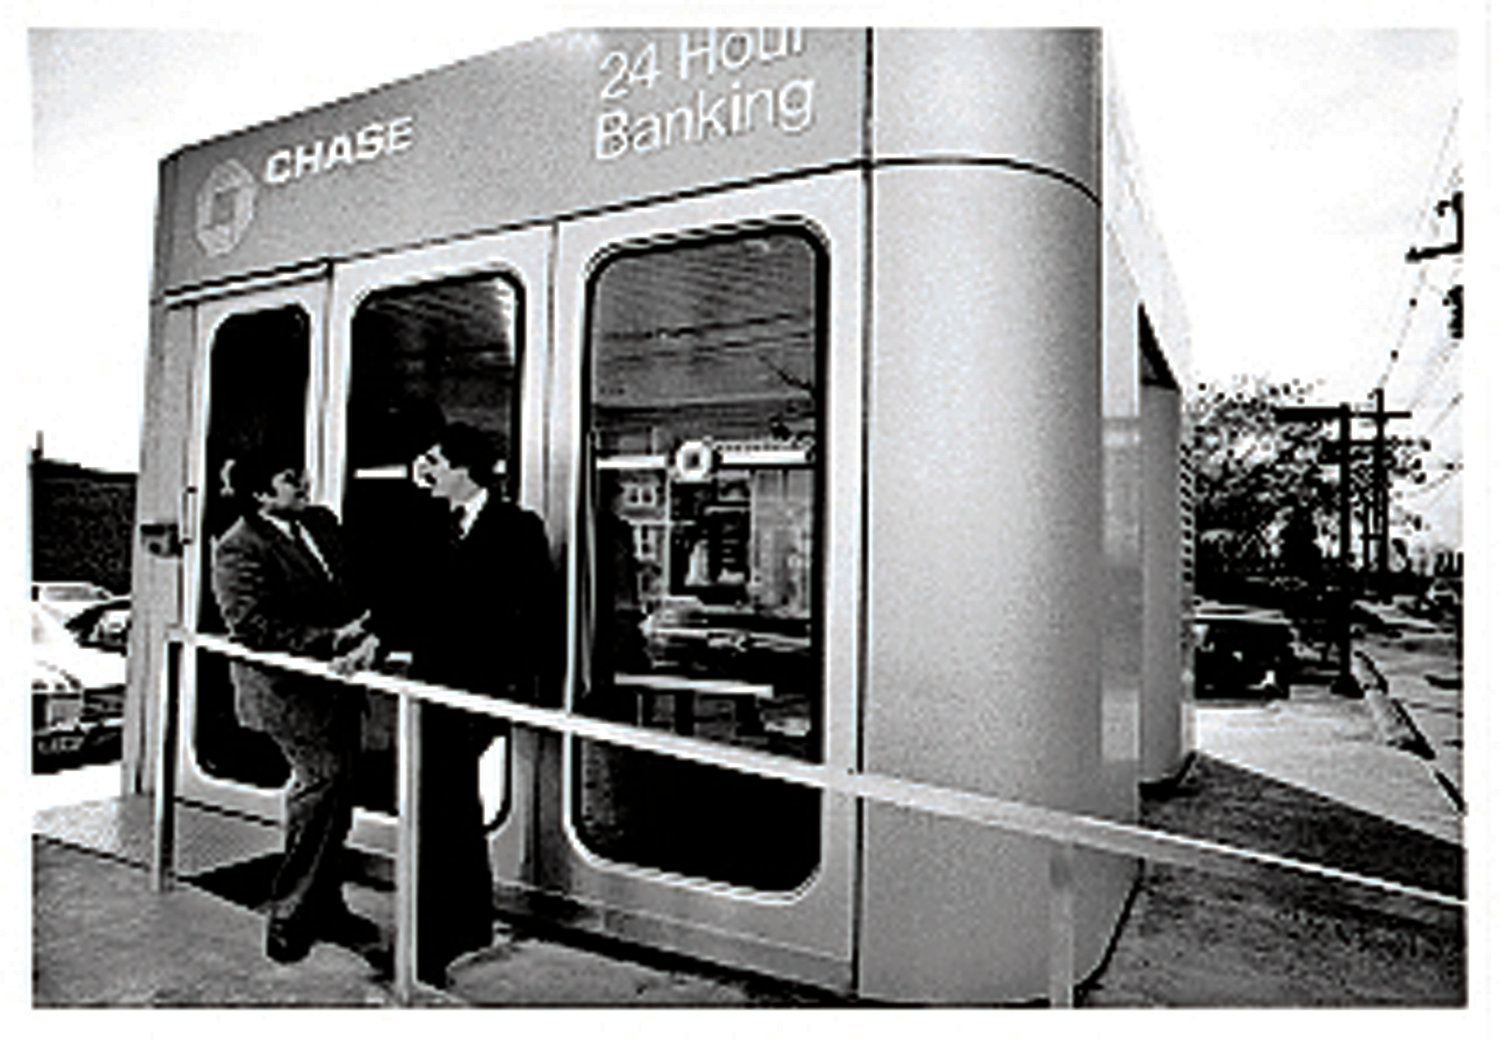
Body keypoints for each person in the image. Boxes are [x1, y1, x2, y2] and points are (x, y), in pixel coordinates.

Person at [210, 450, 383, 966]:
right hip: (290, 693)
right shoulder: (238, 548)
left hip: (338, 684)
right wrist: (332, 637)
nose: (303, 484)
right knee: (322, 787)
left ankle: (325, 906)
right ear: (261, 494)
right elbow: (255, 629)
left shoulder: (321, 523)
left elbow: (351, 581)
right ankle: (288, 918)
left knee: (337, 795)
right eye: (290, 479)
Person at [400, 422, 551, 986]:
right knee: (448, 809)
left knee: (444, 810)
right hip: (432, 688)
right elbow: (414, 601)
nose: (426, 469)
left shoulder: (517, 528)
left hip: (477, 689)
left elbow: (528, 614)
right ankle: (459, 929)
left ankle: (434, 945)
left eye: (435, 460)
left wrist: (505, 684)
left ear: (465, 468)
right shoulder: (431, 522)